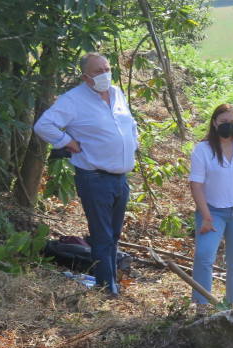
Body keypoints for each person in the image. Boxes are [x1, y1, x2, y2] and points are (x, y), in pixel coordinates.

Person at [34, 52, 138, 297]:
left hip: (119, 178)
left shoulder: (117, 93)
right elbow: (43, 125)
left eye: (107, 69)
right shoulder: (73, 100)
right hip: (95, 177)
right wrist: (69, 142)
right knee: (102, 237)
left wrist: (132, 143)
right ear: (85, 76)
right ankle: (106, 291)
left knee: (113, 236)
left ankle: (109, 284)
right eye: (98, 71)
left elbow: (130, 125)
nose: (105, 74)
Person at [189, 104, 233, 308]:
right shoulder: (203, 150)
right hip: (213, 212)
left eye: (232, 122)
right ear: (214, 123)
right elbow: (196, 185)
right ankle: (202, 306)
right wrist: (206, 216)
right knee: (204, 256)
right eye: (223, 122)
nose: (228, 126)